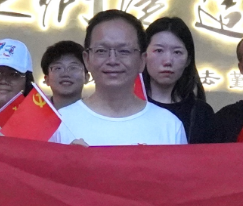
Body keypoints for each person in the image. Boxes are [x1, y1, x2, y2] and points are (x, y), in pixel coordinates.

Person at [50, 9, 186, 146]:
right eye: (101, 51)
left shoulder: (169, 125)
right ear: (87, 60)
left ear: (142, 61)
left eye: (124, 51)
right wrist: (68, 158)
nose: (112, 60)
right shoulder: (59, 123)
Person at [143, 16, 215, 144]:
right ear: (144, 55)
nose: (167, 61)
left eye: (177, 52)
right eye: (159, 50)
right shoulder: (127, 108)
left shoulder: (201, 113)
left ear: (188, 60)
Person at [40, 40, 88, 109]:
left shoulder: (98, 112)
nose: (65, 74)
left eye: (73, 67)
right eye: (58, 68)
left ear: (86, 77)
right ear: (47, 79)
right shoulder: (34, 112)